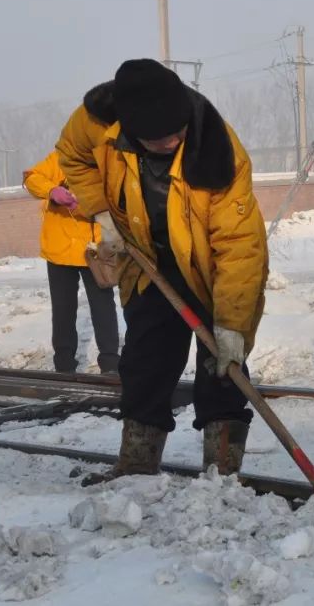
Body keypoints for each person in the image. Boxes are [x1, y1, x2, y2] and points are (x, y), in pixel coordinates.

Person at [56, 58, 269, 483]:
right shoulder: (100, 122)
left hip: (209, 270)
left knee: (222, 368)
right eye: (157, 139)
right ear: (131, 129)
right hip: (147, 262)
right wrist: (102, 214)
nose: (170, 142)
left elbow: (240, 247)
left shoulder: (218, 150)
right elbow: (72, 155)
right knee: (145, 362)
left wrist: (231, 326)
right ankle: (137, 465)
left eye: (176, 133)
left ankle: (222, 473)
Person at [23, 151, 119, 374]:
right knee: (63, 308)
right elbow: (31, 178)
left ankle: (111, 364)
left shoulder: (109, 162)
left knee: (103, 305)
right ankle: (64, 366)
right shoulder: (60, 158)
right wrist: (51, 190)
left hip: (96, 248)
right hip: (59, 248)